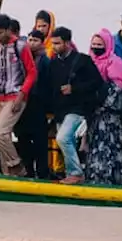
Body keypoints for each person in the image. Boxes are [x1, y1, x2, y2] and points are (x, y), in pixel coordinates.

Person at [46, 27, 104, 185]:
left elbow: (97, 83)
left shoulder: (83, 60)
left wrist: (75, 89)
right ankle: (69, 173)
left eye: (57, 43)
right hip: (60, 110)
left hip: (79, 109)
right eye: (53, 44)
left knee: (63, 138)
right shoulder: (54, 63)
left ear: (67, 43)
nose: (54, 47)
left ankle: (76, 173)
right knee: (65, 140)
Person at [0, 14, 37, 177]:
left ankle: (16, 165)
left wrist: (21, 95)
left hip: (16, 95)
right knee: (2, 136)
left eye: (0, 33)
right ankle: (7, 174)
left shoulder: (21, 46)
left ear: (8, 30)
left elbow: (31, 73)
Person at [85, 30, 122, 186]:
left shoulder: (115, 62)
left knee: (108, 144)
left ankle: (108, 177)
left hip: (109, 113)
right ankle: (94, 175)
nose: (96, 47)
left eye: (100, 45)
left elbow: (119, 86)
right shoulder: (90, 61)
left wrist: (104, 104)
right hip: (94, 112)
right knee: (95, 143)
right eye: (94, 45)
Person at [17, 29, 52, 179]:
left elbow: (48, 84)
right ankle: (28, 169)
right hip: (25, 102)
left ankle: (43, 172)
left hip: (38, 104)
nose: (31, 43)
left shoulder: (44, 61)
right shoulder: (23, 57)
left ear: (42, 43)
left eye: (35, 40)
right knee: (23, 137)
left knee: (40, 140)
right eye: (30, 40)